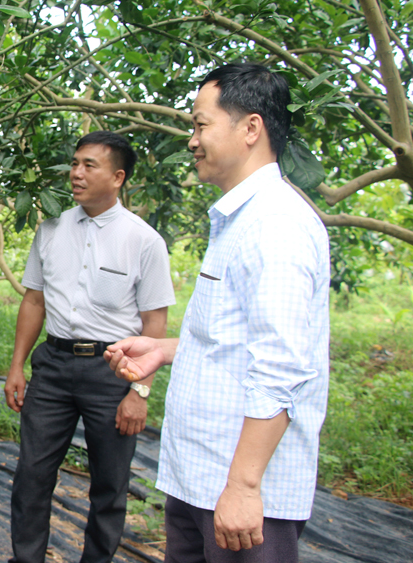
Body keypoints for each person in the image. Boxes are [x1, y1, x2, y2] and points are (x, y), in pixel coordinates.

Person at [104, 64, 330, 563]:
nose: (192, 140)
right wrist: (165, 349)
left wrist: (246, 486)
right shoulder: (240, 219)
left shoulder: (276, 225)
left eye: (201, 125)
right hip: (201, 477)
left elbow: (281, 367)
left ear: (250, 128)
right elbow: (242, 340)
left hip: (241, 493)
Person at [4, 131, 177, 563]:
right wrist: (17, 366)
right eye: (75, 163)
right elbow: (35, 300)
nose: (76, 173)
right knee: (32, 476)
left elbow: (155, 323)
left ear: (118, 177)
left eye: (89, 165)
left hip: (114, 372)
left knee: (110, 485)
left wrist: (139, 393)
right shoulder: (50, 228)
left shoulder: (144, 241)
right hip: (54, 367)